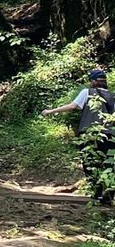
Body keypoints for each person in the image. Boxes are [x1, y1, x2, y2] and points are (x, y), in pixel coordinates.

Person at [43, 68, 115, 199]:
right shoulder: (112, 95)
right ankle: (108, 195)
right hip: (109, 134)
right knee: (108, 163)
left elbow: (72, 106)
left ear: (93, 81)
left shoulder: (87, 92)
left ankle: (97, 193)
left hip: (88, 133)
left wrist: (50, 111)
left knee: (89, 163)